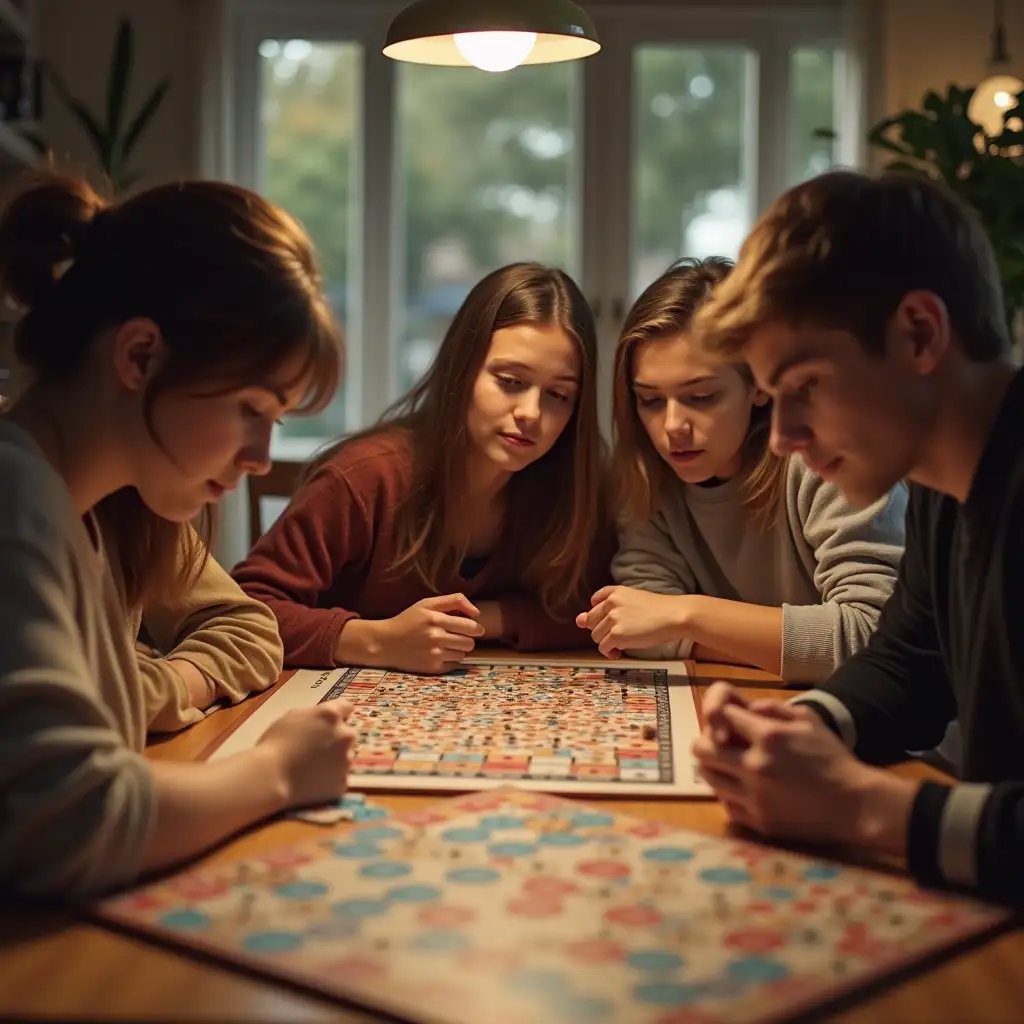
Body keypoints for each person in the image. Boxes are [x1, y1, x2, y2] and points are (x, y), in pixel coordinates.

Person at [0, 170, 354, 898]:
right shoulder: (17, 497)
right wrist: (277, 770)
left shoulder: (86, 513)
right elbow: (71, 822)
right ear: (139, 357)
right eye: (251, 408)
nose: (261, 458)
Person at [688, 168, 1024, 907]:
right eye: (772, 399)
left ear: (919, 333)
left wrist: (863, 809)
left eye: (805, 386)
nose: (781, 437)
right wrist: (798, 728)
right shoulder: (942, 479)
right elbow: (909, 660)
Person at [233, 262, 612, 673]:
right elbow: (244, 609)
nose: (531, 413)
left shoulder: (570, 486)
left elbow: (599, 611)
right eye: (510, 381)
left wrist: (484, 619)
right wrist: (375, 641)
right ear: (461, 370)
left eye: (558, 395)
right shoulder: (365, 477)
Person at [576, 257, 905, 683]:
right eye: (650, 400)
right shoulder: (646, 472)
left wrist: (687, 615)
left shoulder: (827, 456)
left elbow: (873, 636)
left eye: (701, 396)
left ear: (759, 385)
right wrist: (781, 644)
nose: (672, 426)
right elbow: (638, 628)